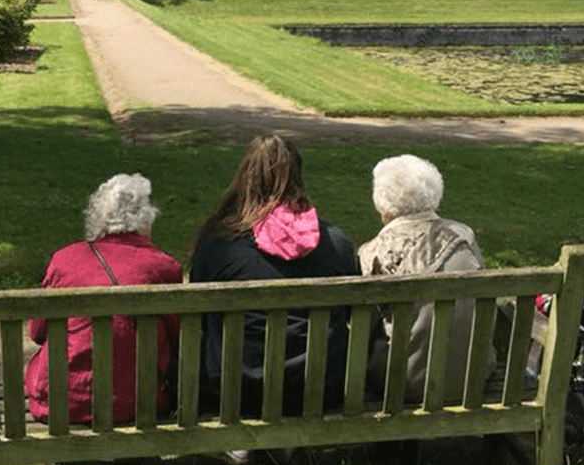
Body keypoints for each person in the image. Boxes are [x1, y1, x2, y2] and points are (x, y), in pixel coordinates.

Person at [189, 134, 359, 418]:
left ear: (245, 177)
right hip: (319, 386)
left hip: (235, 389)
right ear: (299, 177)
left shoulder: (218, 246)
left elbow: (198, 318)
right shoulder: (337, 244)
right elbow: (349, 312)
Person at [25, 174, 182, 425]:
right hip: (140, 402)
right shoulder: (165, 268)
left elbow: (36, 332)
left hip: (62, 402)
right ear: (146, 219)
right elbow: (178, 337)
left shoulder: (65, 261)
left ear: (95, 216)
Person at [358, 154, 494, 405]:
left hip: (404, 383)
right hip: (473, 376)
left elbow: (361, 328)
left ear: (384, 207)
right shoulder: (465, 238)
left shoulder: (373, 253)